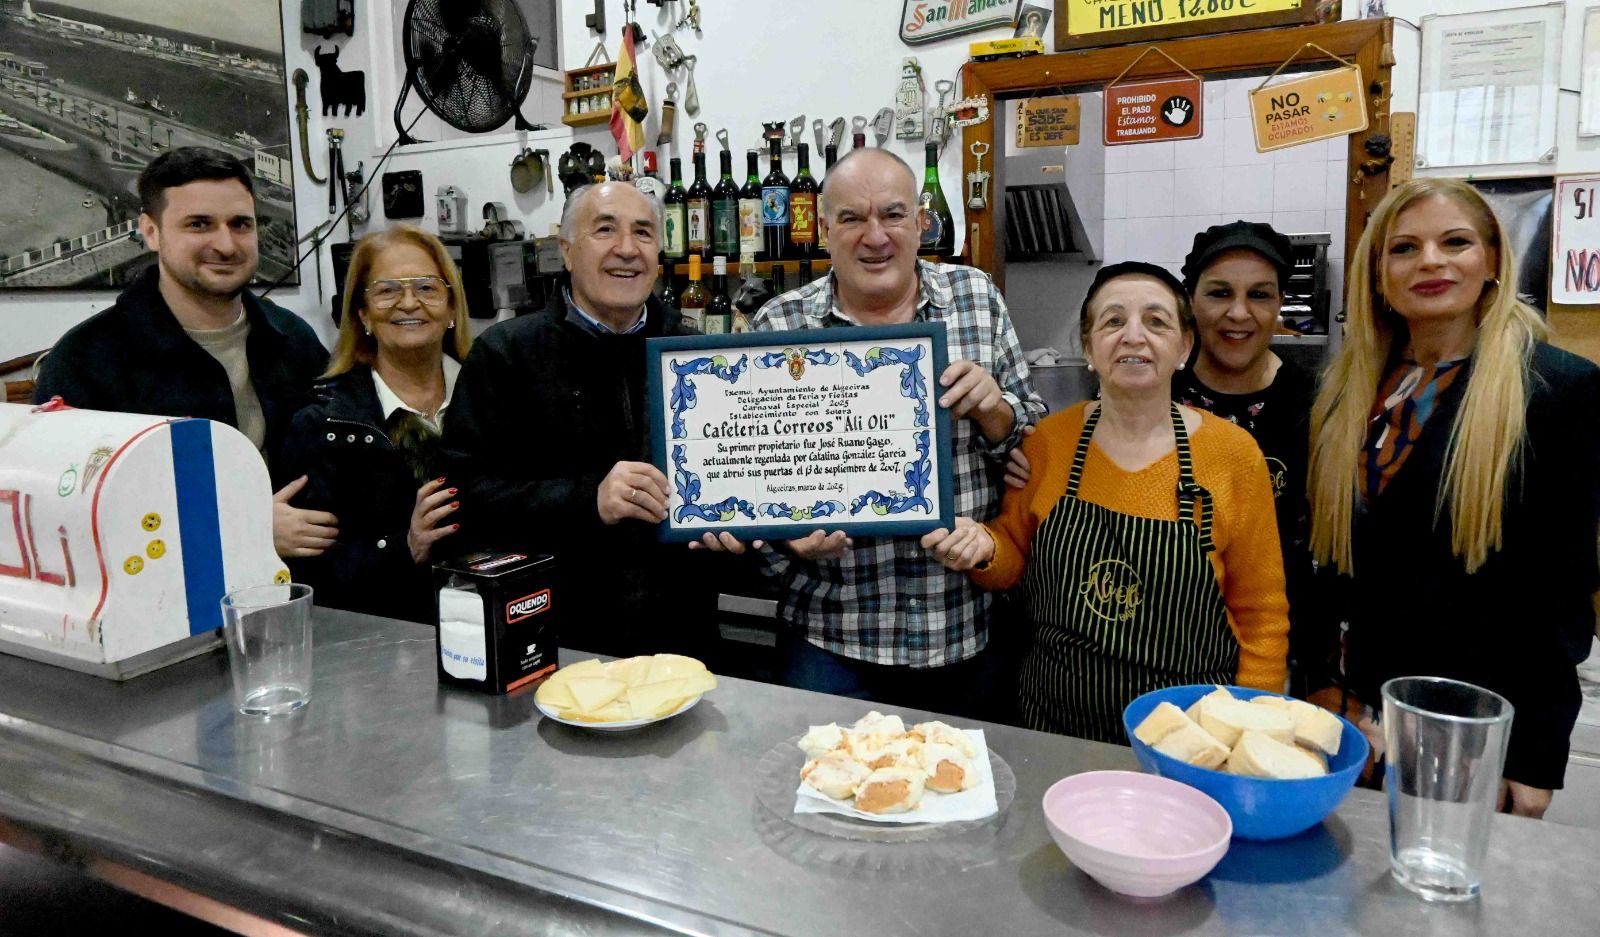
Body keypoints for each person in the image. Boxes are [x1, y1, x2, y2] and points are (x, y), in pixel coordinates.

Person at [705, 147, 1046, 718]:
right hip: (831, 636)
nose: (875, 236)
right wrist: (789, 537)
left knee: (964, 802)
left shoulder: (976, 299)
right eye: (852, 218)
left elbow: (1035, 451)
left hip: (961, 628)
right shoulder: (780, 324)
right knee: (820, 798)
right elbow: (750, 476)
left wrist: (997, 411)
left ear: (919, 222)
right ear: (823, 231)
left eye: (892, 214)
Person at [1304, 178, 1600, 818]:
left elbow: (1563, 592)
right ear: (1378, 273)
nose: (1431, 261)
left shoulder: (1557, 392)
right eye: (1405, 248)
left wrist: (1534, 757)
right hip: (1347, 721)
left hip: (1467, 732)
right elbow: (1330, 569)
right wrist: (1322, 688)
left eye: (1455, 242)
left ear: (1493, 260)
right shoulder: (1346, 394)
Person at [931, 262, 1289, 743]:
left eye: (1156, 322)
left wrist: (1253, 727)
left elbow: (1261, 613)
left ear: (1185, 347)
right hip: (1053, 728)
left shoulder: (1234, 456)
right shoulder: (1050, 442)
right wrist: (983, 548)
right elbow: (1012, 557)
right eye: (1113, 321)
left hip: (1188, 741)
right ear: (1088, 348)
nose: (1134, 336)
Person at [441, 181, 714, 657]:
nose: (626, 249)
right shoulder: (505, 355)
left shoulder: (695, 354)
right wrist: (588, 498)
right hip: (557, 641)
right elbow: (466, 496)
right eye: (605, 230)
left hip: (681, 641)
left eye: (644, 233)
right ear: (566, 251)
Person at [33, 147, 333, 562]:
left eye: (240, 224)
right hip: (161, 605)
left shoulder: (293, 339)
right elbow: (66, 515)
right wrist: (243, 527)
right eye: (199, 225)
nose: (226, 245)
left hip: (302, 589)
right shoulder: (86, 360)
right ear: (150, 231)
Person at [275, 226, 470, 623]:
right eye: (387, 290)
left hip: (505, 625)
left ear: (452, 308)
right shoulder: (320, 425)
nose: (409, 303)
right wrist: (404, 547)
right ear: (361, 314)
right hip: (389, 646)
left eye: (428, 288)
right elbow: (312, 580)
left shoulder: (495, 396)